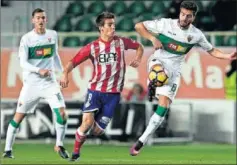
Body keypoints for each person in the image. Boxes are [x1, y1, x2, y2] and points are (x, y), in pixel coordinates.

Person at [130, 1, 237, 156]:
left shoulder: (196, 35)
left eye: (188, 16)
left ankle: (141, 141)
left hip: (174, 71)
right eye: (182, 14)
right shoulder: (165, 24)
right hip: (158, 61)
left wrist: (228, 56)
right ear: (179, 13)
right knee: (159, 73)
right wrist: (153, 39)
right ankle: (154, 83)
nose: (184, 18)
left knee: (163, 108)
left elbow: (212, 50)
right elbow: (138, 26)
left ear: (193, 17)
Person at [59, 11, 144, 161]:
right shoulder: (92, 47)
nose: (113, 27)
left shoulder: (121, 42)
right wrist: (65, 73)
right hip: (96, 91)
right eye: (109, 25)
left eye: (114, 24)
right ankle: (76, 153)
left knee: (98, 131)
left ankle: (82, 135)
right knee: (87, 123)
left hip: (113, 95)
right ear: (101, 28)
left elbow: (139, 47)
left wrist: (138, 58)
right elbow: (73, 61)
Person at [2, 8, 69, 159]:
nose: (41, 20)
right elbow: (23, 63)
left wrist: (63, 72)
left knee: (62, 114)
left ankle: (59, 145)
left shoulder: (52, 35)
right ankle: (7, 150)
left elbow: (55, 55)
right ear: (33, 20)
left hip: (49, 83)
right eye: (38, 18)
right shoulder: (27, 39)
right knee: (18, 118)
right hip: (31, 85)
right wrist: (39, 70)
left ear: (46, 20)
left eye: (43, 18)